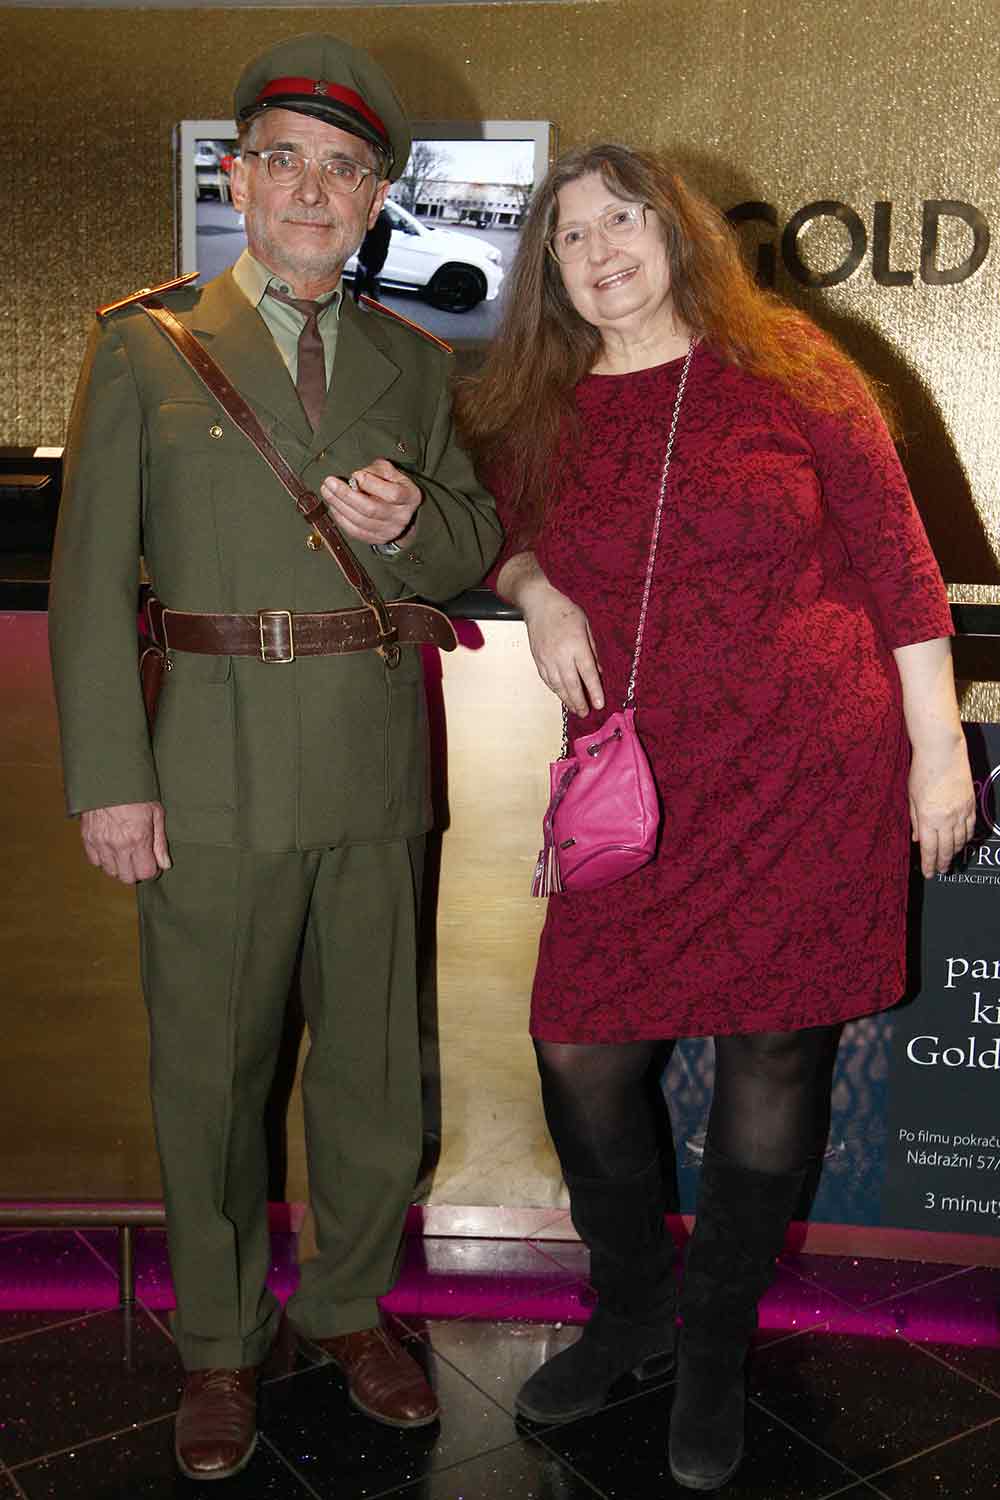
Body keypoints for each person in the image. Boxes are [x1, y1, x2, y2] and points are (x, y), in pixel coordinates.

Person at [456, 143, 974, 1492]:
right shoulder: (538, 400)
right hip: (635, 782)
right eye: (571, 235)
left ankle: (713, 1345)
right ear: (549, 270)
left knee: (772, 1051)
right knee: (578, 1046)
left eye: (624, 219)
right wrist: (538, 591)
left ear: (678, 232)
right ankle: (632, 1309)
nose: (602, 250)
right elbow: (494, 529)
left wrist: (937, 755)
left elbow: (899, 563)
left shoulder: (791, 366)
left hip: (808, 768)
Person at [49, 32, 500, 1484]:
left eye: (344, 167)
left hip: (369, 756)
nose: (313, 188)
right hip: (208, 763)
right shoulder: (146, 346)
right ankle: (220, 1345)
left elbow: (470, 535)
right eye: (285, 159)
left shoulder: (413, 362)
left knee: (372, 1068)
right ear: (236, 179)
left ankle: (351, 1311)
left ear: (375, 198)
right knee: (210, 1074)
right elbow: (87, 580)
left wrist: (410, 525)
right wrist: (111, 776)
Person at [353, 206, 393, 303]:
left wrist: (374, 270)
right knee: (360, 292)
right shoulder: (378, 216)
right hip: (366, 262)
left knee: (371, 297)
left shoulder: (382, 220)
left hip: (370, 266)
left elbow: (381, 248)